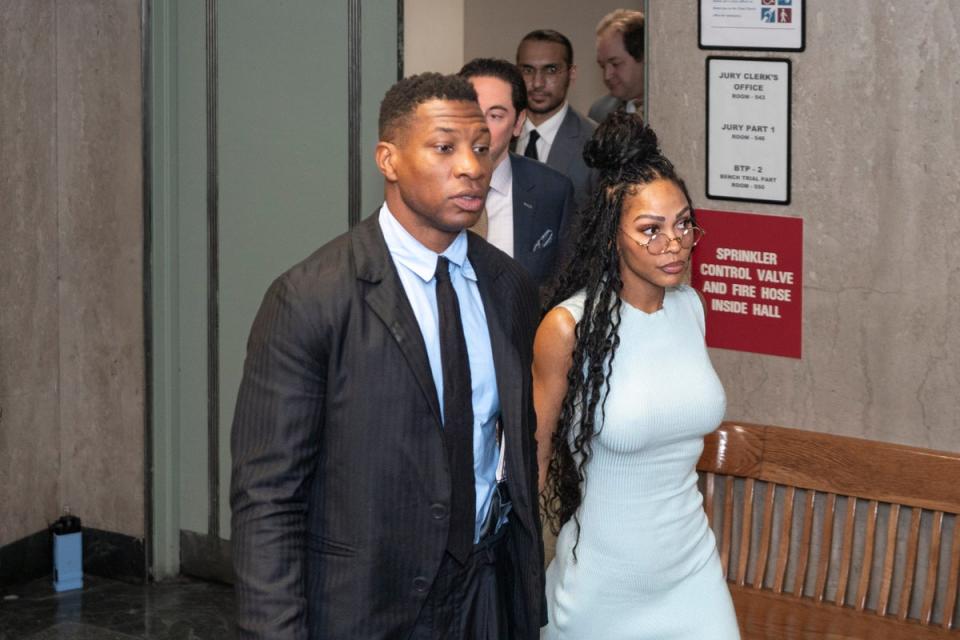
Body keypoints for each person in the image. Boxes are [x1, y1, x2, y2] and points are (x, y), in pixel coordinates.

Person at [230, 72, 545, 639]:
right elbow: (268, 499)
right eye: (444, 148)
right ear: (389, 159)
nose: (472, 166)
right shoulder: (311, 298)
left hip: (484, 596)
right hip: (365, 608)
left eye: (480, 147)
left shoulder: (509, 287)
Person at [533, 112, 740, 639]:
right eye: (650, 229)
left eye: (683, 223)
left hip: (692, 571)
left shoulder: (691, 308)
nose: (673, 243)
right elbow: (532, 467)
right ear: (611, 237)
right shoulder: (567, 329)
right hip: (604, 584)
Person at [458, 58, 576, 295]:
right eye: (471, 112)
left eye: (495, 116)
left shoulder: (552, 191)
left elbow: (565, 285)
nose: (480, 127)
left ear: (518, 123)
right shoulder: (426, 187)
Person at [515, 29, 597, 213]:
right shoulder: (498, 134)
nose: (537, 83)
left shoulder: (595, 141)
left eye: (551, 70)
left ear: (571, 74)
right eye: (528, 70)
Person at [589, 9, 645, 123]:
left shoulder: (681, 106)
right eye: (602, 66)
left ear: (643, 57)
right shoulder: (599, 113)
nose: (607, 76)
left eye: (615, 64)